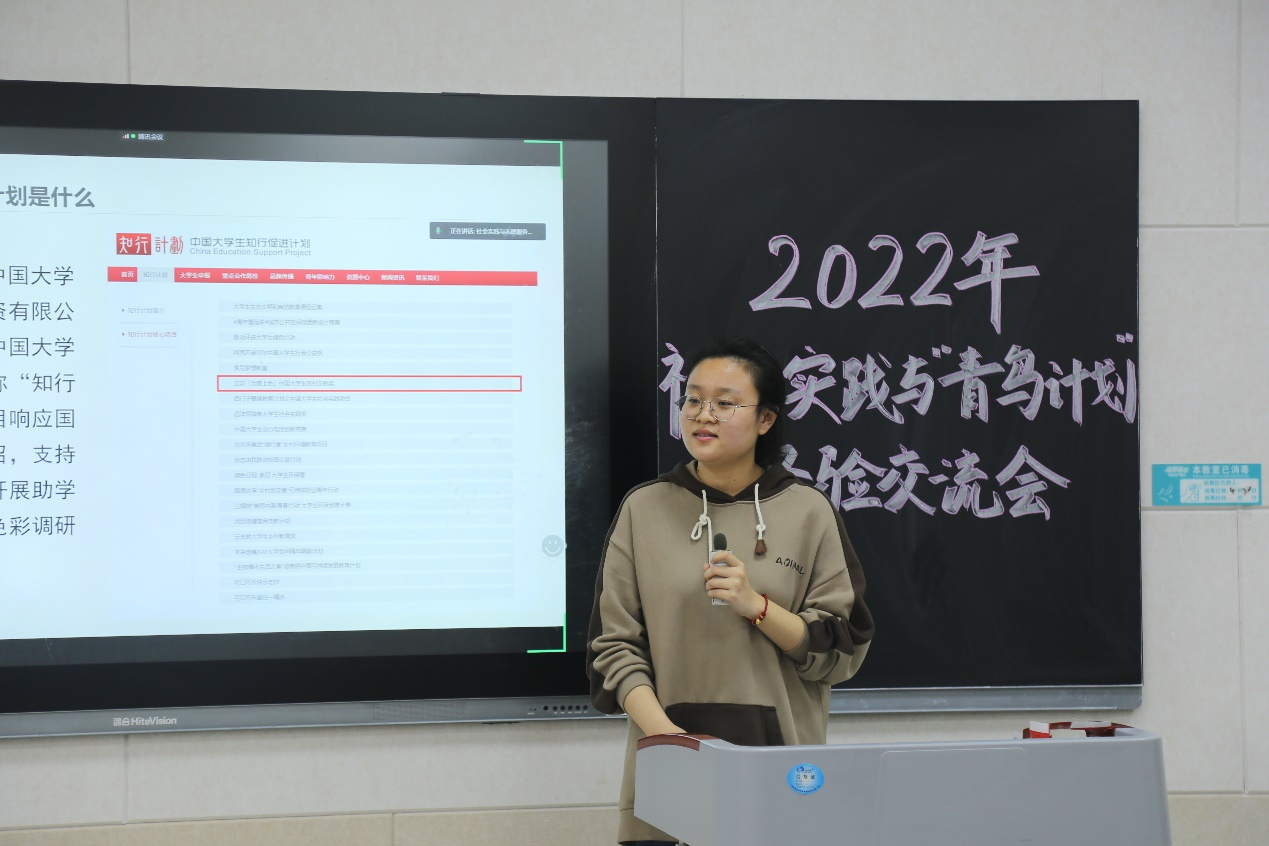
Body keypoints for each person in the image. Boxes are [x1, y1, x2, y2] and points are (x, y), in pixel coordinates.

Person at [586, 337, 875, 845]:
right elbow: (614, 647)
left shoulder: (808, 511)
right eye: (693, 400)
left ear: (766, 419)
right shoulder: (643, 509)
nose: (704, 415)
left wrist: (757, 607)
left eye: (725, 403)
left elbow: (842, 650)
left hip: (781, 768)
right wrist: (670, 739)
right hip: (668, 760)